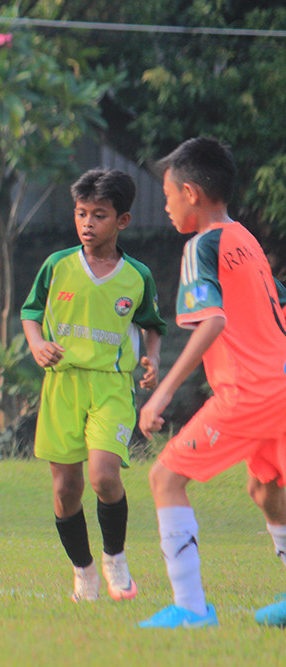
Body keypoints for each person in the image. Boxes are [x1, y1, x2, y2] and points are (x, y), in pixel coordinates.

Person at [137, 137, 286, 629]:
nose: (165, 205)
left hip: (248, 391)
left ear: (191, 192)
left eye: (167, 195)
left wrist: (162, 393)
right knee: (266, 489)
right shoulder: (244, 238)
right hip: (279, 386)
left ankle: (192, 607)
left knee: (165, 477)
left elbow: (213, 321)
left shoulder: (200, 245)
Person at [20, 169, 166, 603]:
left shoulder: (136, 275)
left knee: (103, 477)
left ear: (122, 220)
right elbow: (30, 312)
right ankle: (83, 572)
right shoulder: (57, 265)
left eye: (98, 215)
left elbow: (153, 326)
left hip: (111, 386)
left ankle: (115, 559)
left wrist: (153, 358)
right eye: (81, 213)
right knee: (65, 489)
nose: (86, 223)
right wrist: (36, 344)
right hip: (62, 385)